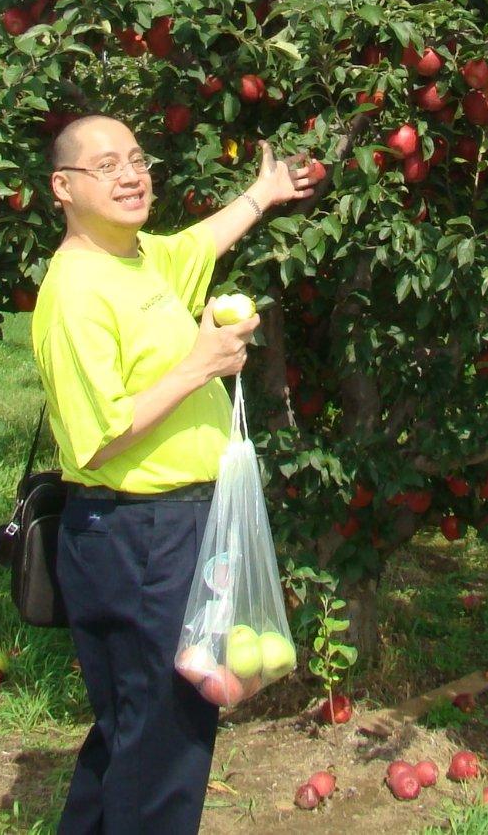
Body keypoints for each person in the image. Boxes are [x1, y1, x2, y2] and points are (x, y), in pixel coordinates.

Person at [31, 113, 325, 835]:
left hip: (172, 526)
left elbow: (198, 243)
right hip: (137, 533)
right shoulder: (77, 292)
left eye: (137, 160)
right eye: (106, 166)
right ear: (63, 187)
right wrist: (200, 365)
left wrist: (262, 195)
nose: (131, 176)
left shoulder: (140, 260)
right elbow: (99, 439)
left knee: (137, 728)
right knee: (165, 738)